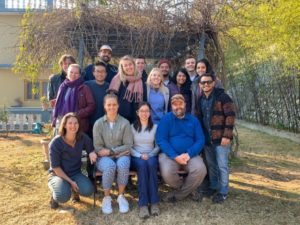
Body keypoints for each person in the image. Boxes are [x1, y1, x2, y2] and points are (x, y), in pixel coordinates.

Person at [156, 94, 207, 202]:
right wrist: (175, 156)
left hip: (190, 155)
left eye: (180, 103)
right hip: (170, 155)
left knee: (200, 170)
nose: (178, 106)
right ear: (171, 106)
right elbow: (161, 140)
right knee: (167, 173)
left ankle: (178, 195)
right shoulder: (166, 119)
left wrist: (189, 153)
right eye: (175, 104)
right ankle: (189, 190)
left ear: (185, 104)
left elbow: (200, 140)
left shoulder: (193, 120)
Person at [196, 73, 235, 204]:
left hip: (221, 138)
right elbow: (199, 119)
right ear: (200, 85)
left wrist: (227, 135)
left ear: (213, 83)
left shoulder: (222, 97)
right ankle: (214, 186)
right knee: (212, 165)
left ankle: (223, 191)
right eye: (203, 83)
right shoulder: (200, 99)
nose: (205, 84)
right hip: (207, 139)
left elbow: (230, 116)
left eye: (208, 82)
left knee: (222, 165)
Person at [93, 94, 133, 214]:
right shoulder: (98, 124)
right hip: (103, 158)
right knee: (110, 166)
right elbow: (98, 148)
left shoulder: (125, 123)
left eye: (114, 104)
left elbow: (128, 145)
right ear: (105, 106)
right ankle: (107, 197)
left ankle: (121, 196)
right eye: (109, 105)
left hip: (121, 156)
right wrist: (116, 153)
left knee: (123, 163)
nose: (112, 107)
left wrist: (111, 152)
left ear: (118, 106)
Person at [48, 113, 95, 209]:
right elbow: (56, 168)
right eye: (70, 123)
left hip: (75, 173)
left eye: (76, 123)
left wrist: (91, 152)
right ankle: (54, 196)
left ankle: (74, 192)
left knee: (88, 190)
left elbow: (90, 147)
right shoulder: (56, 143)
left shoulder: (82, 137)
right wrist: (71, 182)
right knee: (63, 196)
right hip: (58, 174)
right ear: (64, 125)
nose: (73, 126)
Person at [131, 102, 160, 219]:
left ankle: (154, 203)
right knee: (142, 165)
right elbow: (129, 146)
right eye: (142, 111)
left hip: (151, 155)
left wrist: (150, 154)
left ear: (150, 113)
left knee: (151, 164)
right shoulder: (131, 127)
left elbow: (158, 145)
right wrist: (139, 155)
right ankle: (143, 204)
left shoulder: (155, 127)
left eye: (147, 111)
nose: (144, 113)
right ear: (137, 113)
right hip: (136, 157)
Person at [52, 64, 95, 133]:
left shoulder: (84, 88)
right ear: (67, 73)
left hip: (78, 124)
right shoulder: (62, 86)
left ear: (79, 75)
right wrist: (54, 119)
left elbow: (91, 106)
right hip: (62, 122)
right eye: (71, 72)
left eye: (76, 73)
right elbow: (58, 105)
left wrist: (77, 114)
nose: (73, 74)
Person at [84, 61, 109, 180]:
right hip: (90, 124)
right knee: (91, 150)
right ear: (93, 73)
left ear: (106, 73)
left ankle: (103, 176)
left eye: (103, 71)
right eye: (97, 71)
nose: (100, 73)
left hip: (105, 125)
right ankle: (91, 177)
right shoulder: (87, 85)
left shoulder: (110, 87)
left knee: (102, 150)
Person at [108, 55, 147, 124]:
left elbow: (144, 101)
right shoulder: (117, 80)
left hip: (136, 120)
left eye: (130, 64)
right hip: (118, 120)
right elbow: (111, 101)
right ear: (122, 68)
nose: (128, 67)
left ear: (134, 65)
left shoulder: (141, 81)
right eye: (125, 65)